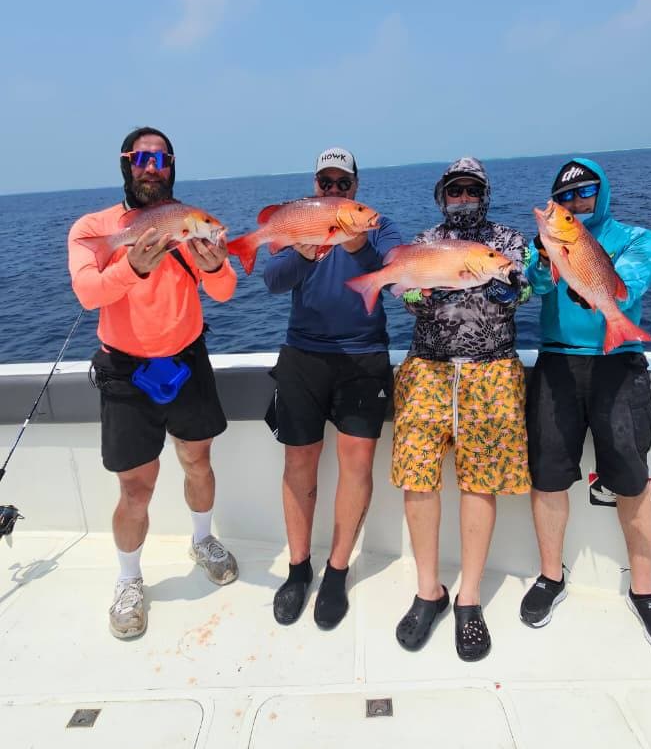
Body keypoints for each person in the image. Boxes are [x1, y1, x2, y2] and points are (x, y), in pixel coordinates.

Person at [68, 127, 238, 640]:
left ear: (171, 166)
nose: (150, 166)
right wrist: (132, 269)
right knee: (135, 486)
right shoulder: (94, 229)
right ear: (125, 163)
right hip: (126, 372)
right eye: (141, 157)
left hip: (187, 361)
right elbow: (88, 294)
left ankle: (203, 540)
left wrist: (216, 266)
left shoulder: (192, 223)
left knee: (198, 461)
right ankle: (128, 579)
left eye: (160, 158)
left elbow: (226, 291)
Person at [522, 156, 651, 657]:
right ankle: (551, 577)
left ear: (601, 193)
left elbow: (628, 286)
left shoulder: (637, 237)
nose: (572, 203)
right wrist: (545, 260)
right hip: (557, 365)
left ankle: (644, 591)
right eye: (564, 197)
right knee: (548, 475)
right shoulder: (548, 240)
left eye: (583, 193)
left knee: (631, 479)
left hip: (620, 363)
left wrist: (586, 274)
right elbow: (537, 287)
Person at [391, 157, 531, 661]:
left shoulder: (509, 242)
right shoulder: (424, 242)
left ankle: (469, 596)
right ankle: (429, 589)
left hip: (490, 371)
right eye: (455, 192)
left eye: (472, 191)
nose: (463, 199)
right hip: (427, 370)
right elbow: (402, 291)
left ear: (485, 194)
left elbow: (528, 285)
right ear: (442, 198)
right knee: (417, 475)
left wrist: (513, 286)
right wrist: (413, 293)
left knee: (481, 479)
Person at [263, 148, 402, 630]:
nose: (335, 190)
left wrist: (356, 245)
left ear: (356, 187)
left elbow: (393, 274)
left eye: (344, 183)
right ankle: (299, 569)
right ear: (316, 185)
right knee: (298, 459)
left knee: (356, 461)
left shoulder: (378, 226)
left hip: (364, 355)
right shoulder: (299, 220)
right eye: (327, 182)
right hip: (303, 353)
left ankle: (337, 570)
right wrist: (303, 252)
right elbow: (273, 280)